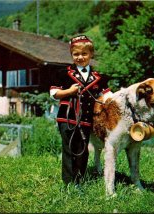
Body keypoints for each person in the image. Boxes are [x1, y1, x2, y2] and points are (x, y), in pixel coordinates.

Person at [50, 35, 110, 187]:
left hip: (87, 119)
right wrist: (69, 91)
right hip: (67, 118)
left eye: (84, 54)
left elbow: (108, 97)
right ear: (71, 55)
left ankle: (80, 181)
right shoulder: (63, 73)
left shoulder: (99, 77)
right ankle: (69, 184)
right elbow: (54, 94)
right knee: (69, 149)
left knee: (83, 151)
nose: (80, 57)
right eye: (76, 54)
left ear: (91, 54)